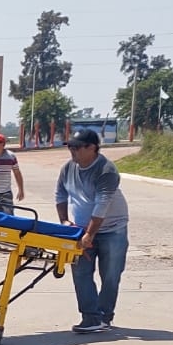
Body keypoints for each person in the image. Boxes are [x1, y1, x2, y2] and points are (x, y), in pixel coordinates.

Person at [55, 128, 129, 333]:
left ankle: (104, 316)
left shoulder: (106, 170)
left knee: (111, 275)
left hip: (112, 229)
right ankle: (90, 317)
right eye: (70, 146)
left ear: (92, 148)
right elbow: (60, 194)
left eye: (76, 147)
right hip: (79, 229)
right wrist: (64, 221)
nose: (72, 151)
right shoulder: (68, 168)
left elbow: (102, 205)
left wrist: (91, 234)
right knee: (81, 273)